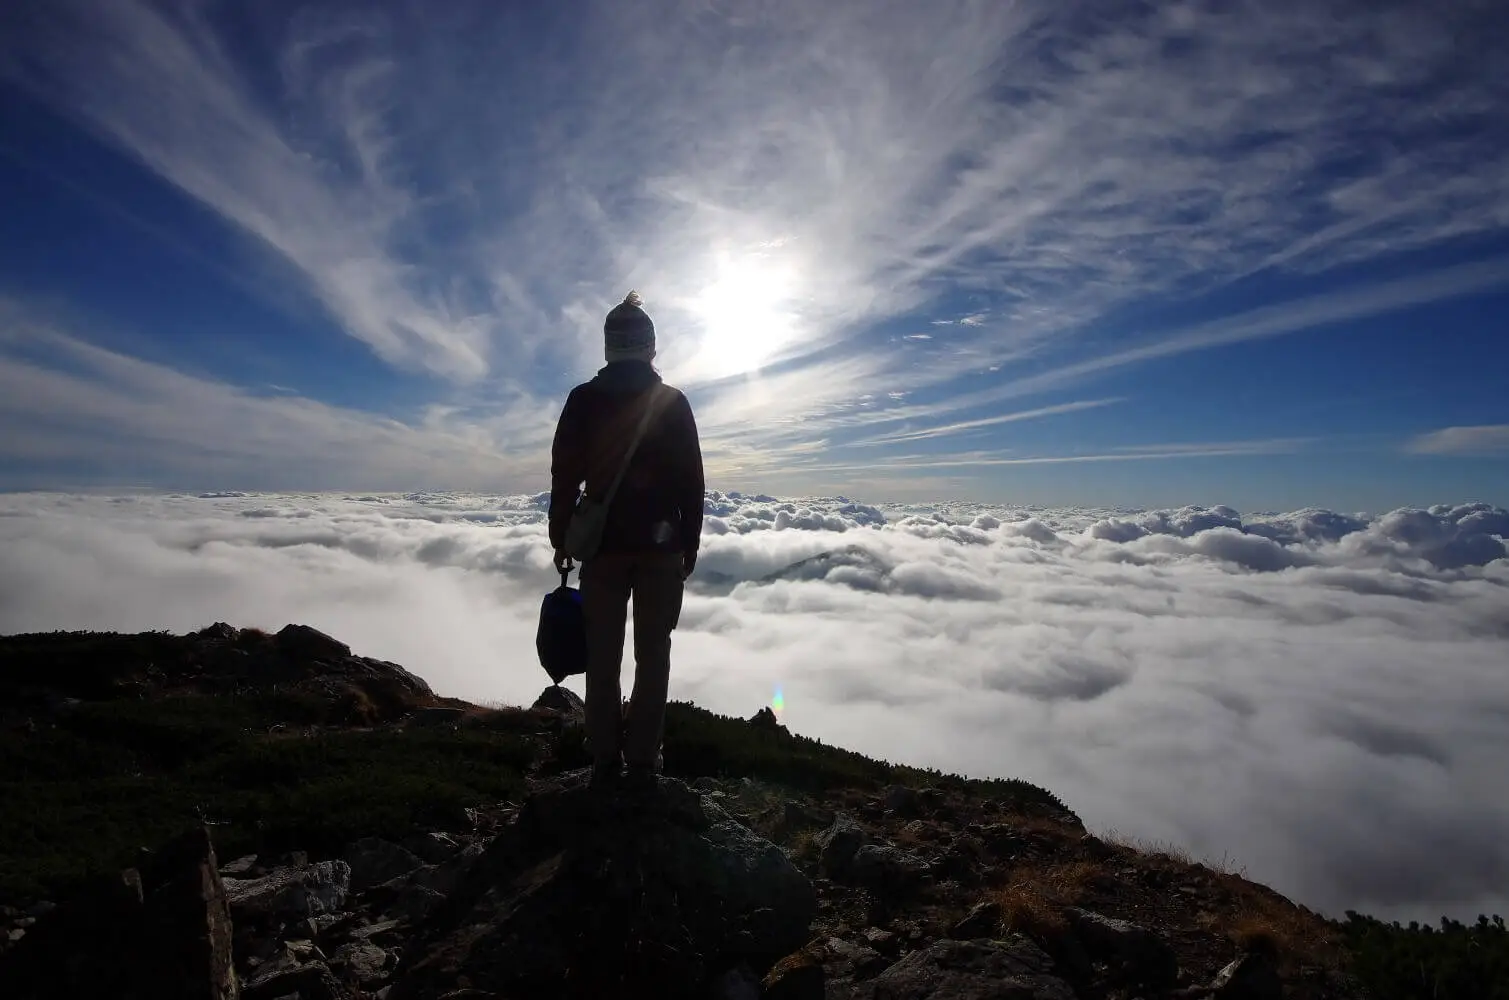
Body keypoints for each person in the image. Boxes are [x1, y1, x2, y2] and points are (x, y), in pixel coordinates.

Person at [549, 291, 704, 791]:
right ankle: (642, 762)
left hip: (604, 547)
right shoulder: (673, 404)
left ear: (609, 347)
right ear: (651, 348)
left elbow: (564, 475)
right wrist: (690, 542)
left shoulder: (583, 400)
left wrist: (561, 535)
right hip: (661, 548)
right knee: (653, 656)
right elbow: (691, 481)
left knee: (603, 656)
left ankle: (603, 762)